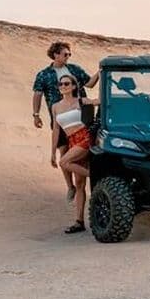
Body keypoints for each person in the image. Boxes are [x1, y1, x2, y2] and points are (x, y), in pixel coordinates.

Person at [32, 41, 97, 201]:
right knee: (64, 152)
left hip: (78, 115)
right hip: (60, 118)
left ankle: (82, 182)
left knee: (78, 154)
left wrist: (101, 71)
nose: (68, 56)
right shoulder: (44, 74)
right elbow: (37, 94)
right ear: (56, 55)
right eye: (65, 54)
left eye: (69, 54)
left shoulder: (74, 69)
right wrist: (36, 114)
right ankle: (70, 186)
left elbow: (89, 83)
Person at [51, 74, 99, 234]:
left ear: (73, 86)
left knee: (64, 163)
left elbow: (97, 101)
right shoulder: (55, 106)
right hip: (71, 140)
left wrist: (100, 73)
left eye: (66, 83)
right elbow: (56, 130)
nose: (62, 86)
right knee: (79, 184)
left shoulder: (81, 101)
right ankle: (79, 221)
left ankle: (95, 175)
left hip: (84, 137)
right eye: (60, 84)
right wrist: (52, 152)